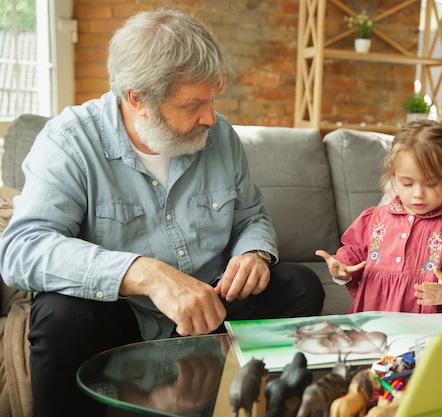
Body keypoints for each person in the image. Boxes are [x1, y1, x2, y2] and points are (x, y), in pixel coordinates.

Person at [0, 9, 324, 417]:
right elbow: (22, 250)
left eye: (212, 99)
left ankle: (241, 406)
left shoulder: (219, 135)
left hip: (213, 306)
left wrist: (253, 253)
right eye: (193, 104)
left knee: (299, 284)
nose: (211, 117)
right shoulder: (69, 142)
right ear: (137, 99)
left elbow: (251, 217)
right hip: (122, 317)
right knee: (62, 314)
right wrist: (147, 274)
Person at [316, 119, 442, 314]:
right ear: (392, 175)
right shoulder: (373, 219)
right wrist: (341, 269)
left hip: (422, 327)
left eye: (431, 183)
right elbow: (353, 256)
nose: (418, 194)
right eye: (407, 183)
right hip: (371, 319)